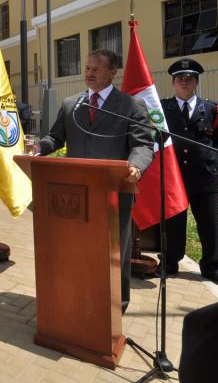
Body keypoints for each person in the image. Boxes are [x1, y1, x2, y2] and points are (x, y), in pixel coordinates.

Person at [36, 49, 154, 313]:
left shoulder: (130, 106)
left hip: (115, 192)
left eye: (96, 69)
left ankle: (115, 305)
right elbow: (56, 138)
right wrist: (38, 148)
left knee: (115, 254)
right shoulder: (71, 104)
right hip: (77, 195)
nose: (88, 74)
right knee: (80, 248)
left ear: (113, 72)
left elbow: (143, 144)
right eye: (87, 68)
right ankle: (82, 296)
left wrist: (135, 166)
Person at [159, 58, 218, 289]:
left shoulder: (213, 109)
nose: (184, 81)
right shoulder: (162, 108)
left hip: (204, 178)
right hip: (175, 177)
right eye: (180, 78)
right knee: (173, 225)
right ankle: (170, 262)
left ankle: (212, 267)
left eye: (189, 78)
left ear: (196, 82)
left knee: (210, 225)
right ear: (173, 82)